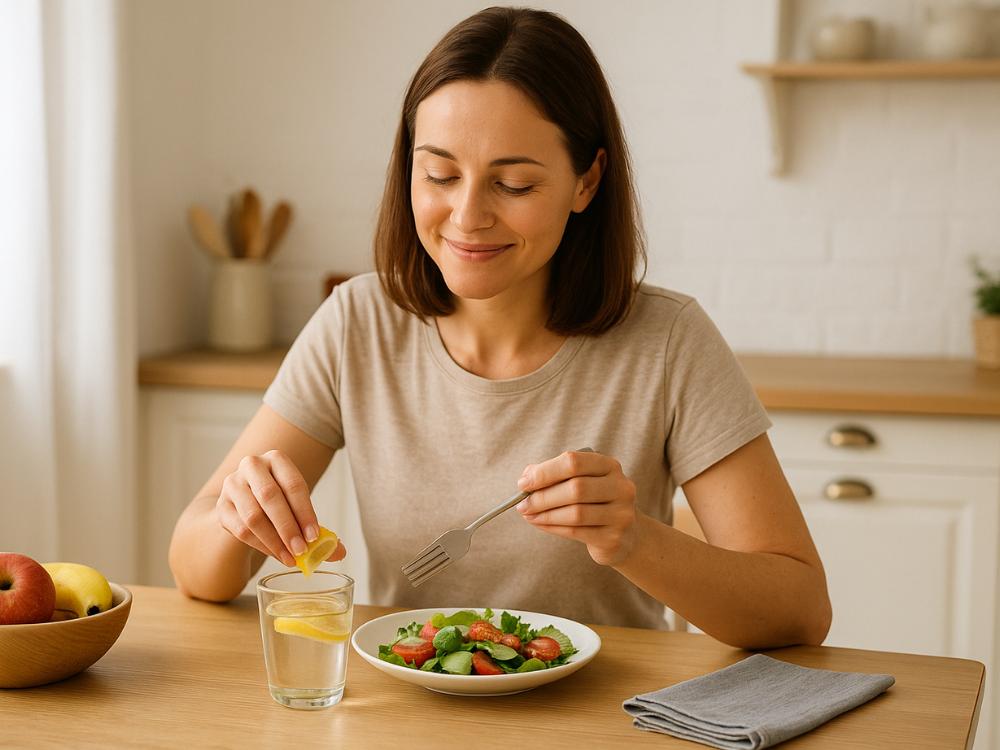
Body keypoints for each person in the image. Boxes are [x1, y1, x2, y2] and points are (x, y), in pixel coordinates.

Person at [169, 6, 832, 649]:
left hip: (609, 720)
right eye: (439, 174)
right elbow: (194, 569)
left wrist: (635, 540)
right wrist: (240, 517)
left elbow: (800, 610)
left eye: (512, 185)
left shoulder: (669, 341)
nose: (466, 216)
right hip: (409, 714)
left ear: (587, 181)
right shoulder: (358, 323)